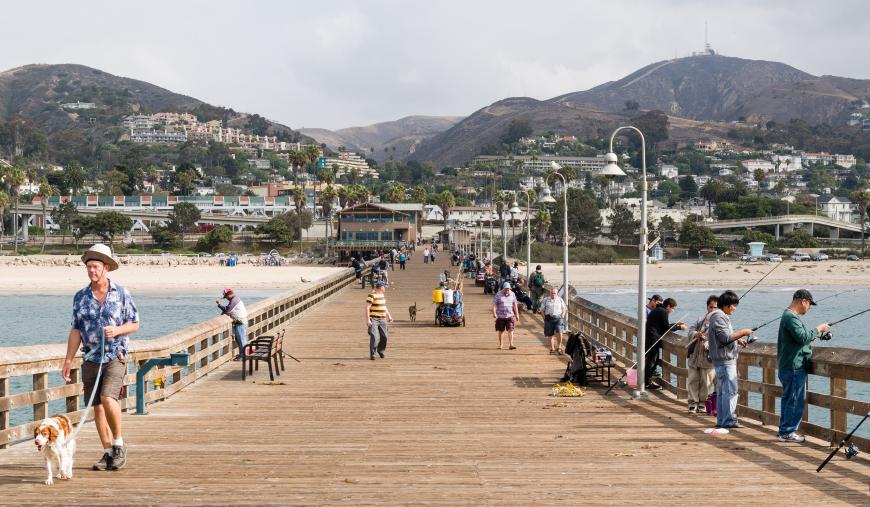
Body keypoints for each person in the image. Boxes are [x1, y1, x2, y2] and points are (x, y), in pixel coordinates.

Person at [62, 244, 139, 472]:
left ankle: (118, 444)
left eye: (95, 267)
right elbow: (76, 330)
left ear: (106, 268)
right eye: (89, 267)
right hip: (91, 357)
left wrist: (117, 331)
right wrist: (68, 360)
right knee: (96, 406)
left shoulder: (122, 294)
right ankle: (107, 452)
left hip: (116, 354)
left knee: (107, 398)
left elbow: (135, 324)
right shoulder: (80, 297)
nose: (91, 271)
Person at [776, 289, 829, 443]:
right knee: (794, 400)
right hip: (794, 367)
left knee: (788, 399)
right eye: (809, 304)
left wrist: (816, 334)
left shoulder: (789, 316)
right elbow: (803, 337)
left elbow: (800, 339)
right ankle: (787, 432)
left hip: (788, 365)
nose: (809, 307)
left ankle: (784, 431)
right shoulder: (790, 317)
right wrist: (819, 329)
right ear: (802, 301)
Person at [708, 290, 753, 429]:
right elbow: (725, 338)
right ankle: (727, 420)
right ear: (727, 305)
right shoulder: (719, 317)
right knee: (730, 391)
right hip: (725, 360)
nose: (734, 308)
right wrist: (743, 332)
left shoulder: (719, 317)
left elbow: (724, 337)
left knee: (723, 392)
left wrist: (738, 340)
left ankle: (722, 420)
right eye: (734, 305)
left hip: (722, 360)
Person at [644, 298, 687, 389]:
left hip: (650, 338)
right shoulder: (663, 312)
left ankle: (647, 381)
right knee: (652, 361)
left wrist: (676, 324)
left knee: (653, 361)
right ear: (668, 306)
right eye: (672, 308)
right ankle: (646, 383)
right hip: (652, 339)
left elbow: (664, 326)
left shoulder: (658, 310)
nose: (673, 310)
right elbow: (666, 329)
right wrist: (679, 327)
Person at [686, 295, 718, 413]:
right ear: (707, 307)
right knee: (693, 379)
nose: (713, 310)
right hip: (695, 355)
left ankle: (702, 403)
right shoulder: (700, 319)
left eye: (716, 308)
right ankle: (692, 403)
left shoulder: (720, 322)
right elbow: (691, 330)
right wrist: (696, 334)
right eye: (711, 307)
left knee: (706, 382)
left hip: (709, 358)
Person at [216, 288, 248, 361]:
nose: (226, 299)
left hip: (241, 323)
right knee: (238, 339)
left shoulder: (234, 300)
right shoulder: (235, 299)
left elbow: (228, 310)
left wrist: (219, 304)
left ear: (229, 294)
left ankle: (243, 356)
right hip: (239, 322)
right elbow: (229, 310)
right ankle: (241, 354)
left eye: (226, 297)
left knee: (241, 340)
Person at [366, 281, 393, 360]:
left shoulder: (382, 295)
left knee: (384, 336)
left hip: (383, 319)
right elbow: (367, 308)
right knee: (374, 336)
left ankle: (380, 350)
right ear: (381, 288)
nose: (385, 288)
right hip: (373, 319)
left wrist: (389, 316)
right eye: (384, 287)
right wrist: (368, 320)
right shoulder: (371, 296)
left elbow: (384, 306)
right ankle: (373, 353)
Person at [492, 281, 519, 350]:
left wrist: (517, 314)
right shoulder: (498, 294)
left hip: (510, 315)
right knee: (501, 331)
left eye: (508, 289)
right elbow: (494, 305)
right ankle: (501, 344)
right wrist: (494, 313)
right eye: (506, 288)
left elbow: (515, 305)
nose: (507, 290)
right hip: (501, 316)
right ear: (503, 288)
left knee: (511, 329)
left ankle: (511, 344)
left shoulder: (512, 294)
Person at [540, 287, 568, 354]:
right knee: (550, 334)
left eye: (554, 293)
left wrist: (562, 316)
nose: (553, 294)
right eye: (552, 293)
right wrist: (544, 318)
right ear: (550, 293)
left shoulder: (560, 299)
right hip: (549, 318)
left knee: (560, 332)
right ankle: (552, 349)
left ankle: (559, 347)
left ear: (557, 293)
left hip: (558, 318)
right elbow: (542, 310)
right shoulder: (545, 300)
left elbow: (564, 308)